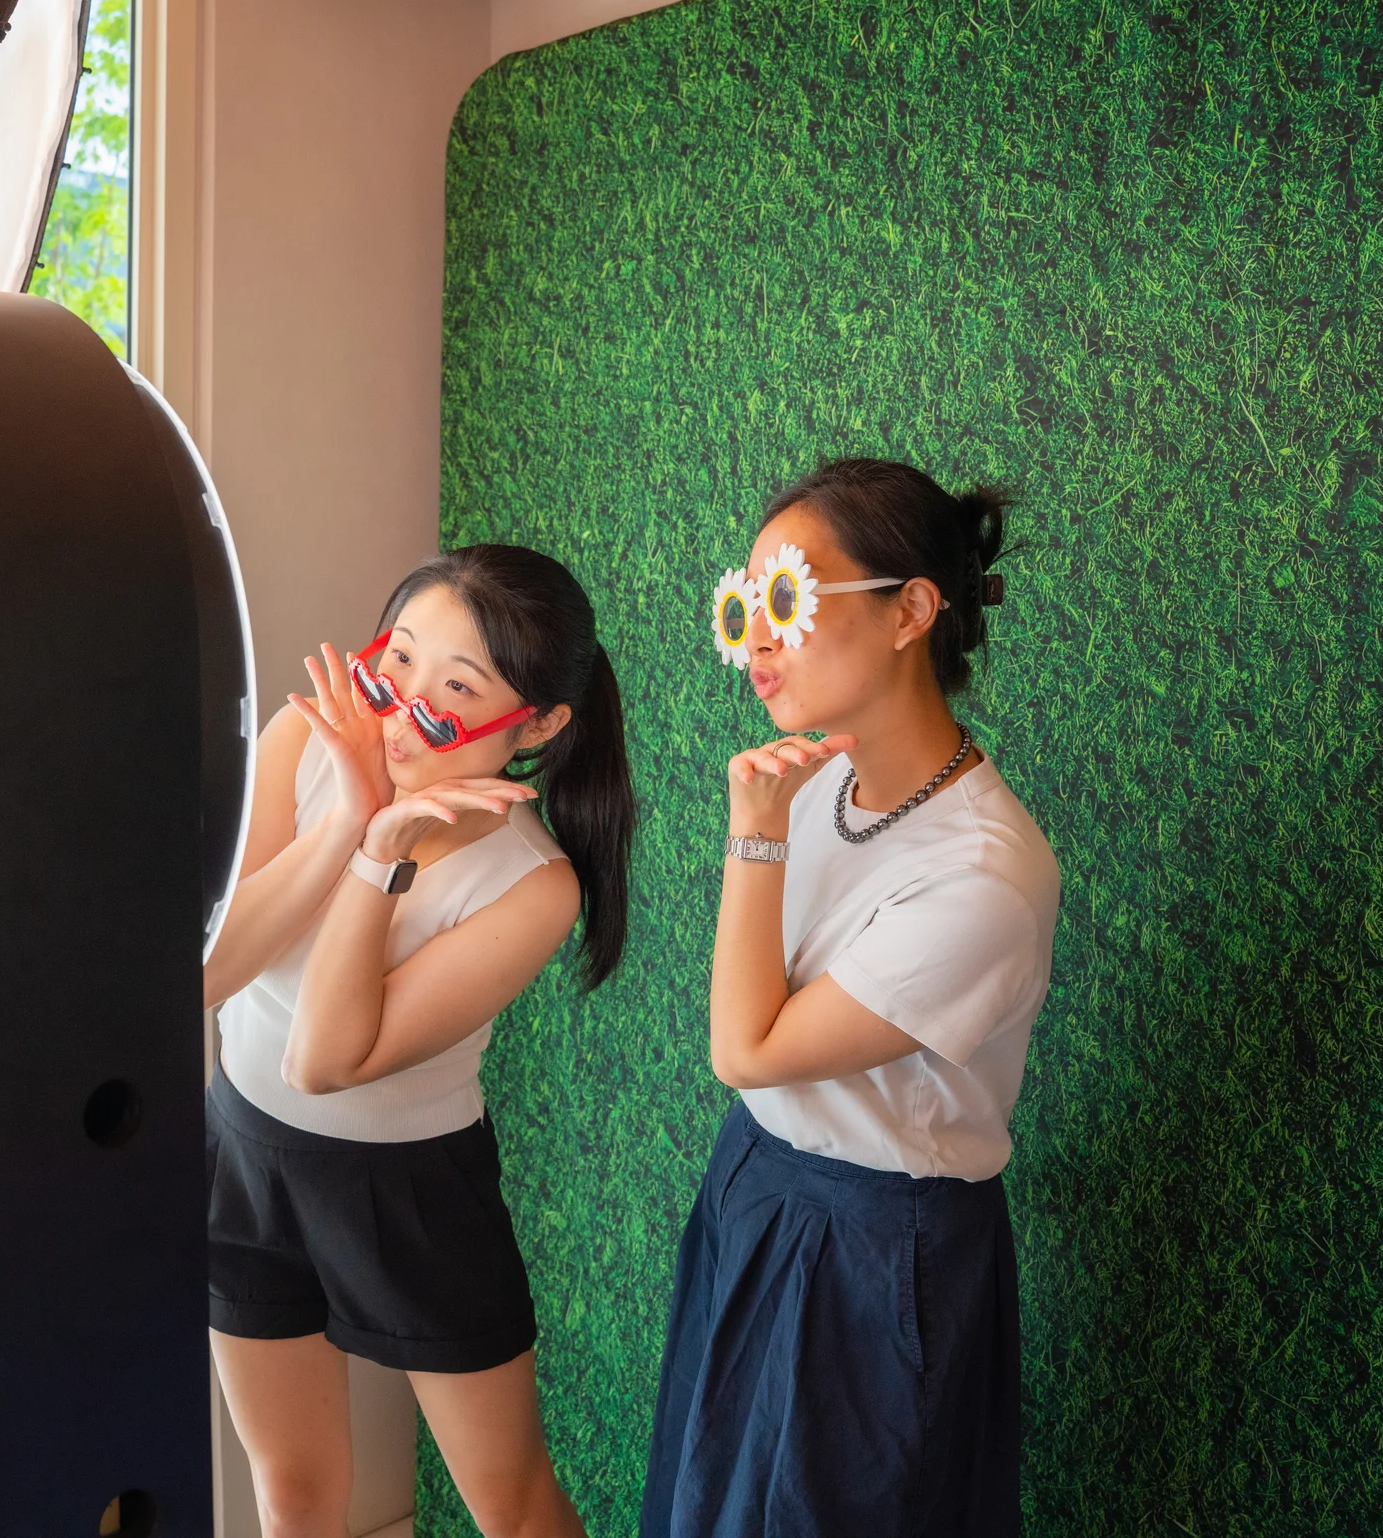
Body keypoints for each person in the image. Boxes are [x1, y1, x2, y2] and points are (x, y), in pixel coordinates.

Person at [644, 457, 1060, 1538]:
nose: (755, 641)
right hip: (753, 1186)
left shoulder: (983, 874)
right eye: (744, 608)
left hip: (876, 1252)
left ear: (909, 611)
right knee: (705, 1499)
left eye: (784, 597)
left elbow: (743, 1045)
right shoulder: (819, 785)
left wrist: (752, 828)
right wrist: (773, 819)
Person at [204, 544, 636, 1538]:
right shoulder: (303, 743)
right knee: (296, 1494)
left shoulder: (534, 887)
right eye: (394, 665)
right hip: (242, 1148)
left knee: (510, 1503)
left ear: (537, 726)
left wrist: (377, 862)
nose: (400, 714)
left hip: (405, 1189)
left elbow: (326, 1061)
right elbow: (203, 977)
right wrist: (345, 819)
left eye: (451, 694)